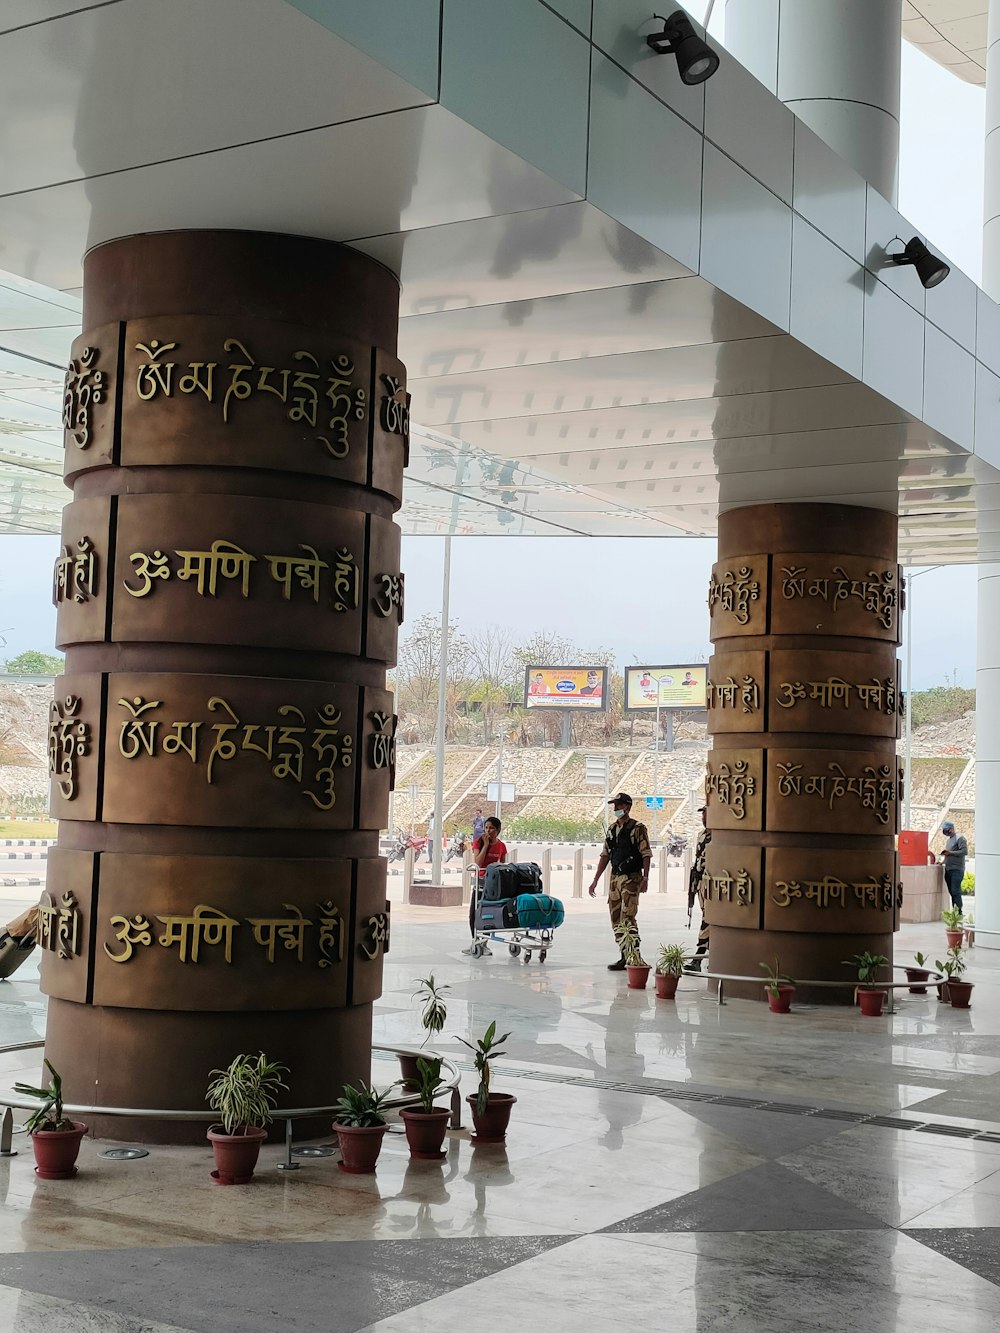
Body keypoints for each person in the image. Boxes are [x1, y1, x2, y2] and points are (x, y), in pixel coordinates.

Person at [587, 793, 652, 970]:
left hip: (631, 878)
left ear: (628, 807)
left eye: (619, 805)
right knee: (616, 918)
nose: (616, 809)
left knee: (628, 917)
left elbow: (646, 854)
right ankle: (624, 954)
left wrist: (645, 878)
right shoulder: (612, 829)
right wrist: (595, 880)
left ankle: (635, 956)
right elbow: (605, 855)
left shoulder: (637, 828)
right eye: (614, 806)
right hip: (615, 878)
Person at [463, 815, 507, 956]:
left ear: (498, 830)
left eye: (492, 828)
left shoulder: (501, 846)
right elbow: (478, 862)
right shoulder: (478, 843)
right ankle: (475, 941)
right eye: (486, 828)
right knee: (474, 913)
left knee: (488, 914)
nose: (488, 831)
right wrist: (486, 845)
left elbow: (503, 865)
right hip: (480, 882)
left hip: (493, 885)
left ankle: (484, 943)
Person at [686, 806, 711, 972]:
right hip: (701, 880)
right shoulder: (702, 835)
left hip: (713, 882)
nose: (703, 817)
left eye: (706, 813)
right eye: (702, 814)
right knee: (706, 916)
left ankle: (698, 957)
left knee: (708, 918)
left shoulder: (719, 835)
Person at [939, 820, 968, 912]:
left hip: (957, 870)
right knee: (952, 891)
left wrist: (950, 852)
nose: (945, 832)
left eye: (946, 830)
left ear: (951, 829)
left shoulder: (960, 838)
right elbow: (948, 855)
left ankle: (958, 911)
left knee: (955, 891)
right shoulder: (949, 840)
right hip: (949, 869)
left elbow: (964, 851)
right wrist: (942, 862)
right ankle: (955, 910)